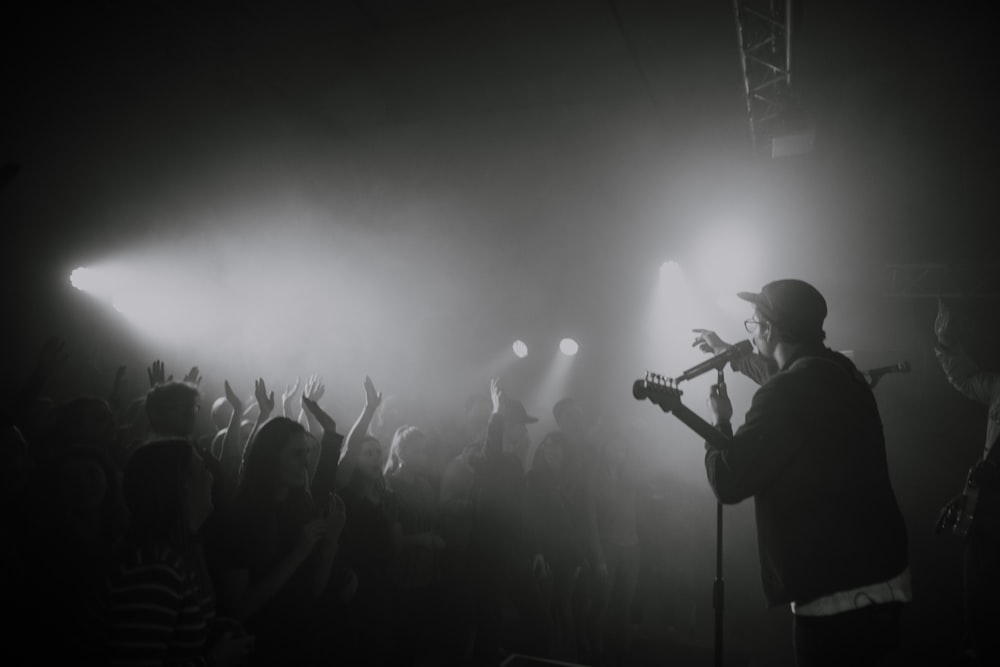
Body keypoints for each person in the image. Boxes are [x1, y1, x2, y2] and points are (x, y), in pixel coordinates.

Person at [697, 279, 910, 667]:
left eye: (753, 321)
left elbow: (728, 482)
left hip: (834, 594)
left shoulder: (788, 391)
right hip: (886, 577)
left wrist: (720, 424)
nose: (751, 328)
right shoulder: (839, 371)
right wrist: (728, 352)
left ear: (768, 328)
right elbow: (782, 379)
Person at [94, 439, 255, 666]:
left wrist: (213, 629)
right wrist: (215, 660)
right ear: (180, 484)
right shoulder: (153, 570)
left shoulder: (183, 548)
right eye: (202, 469)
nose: (211, 476)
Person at [933, 298, 1000, 666]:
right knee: (977, 611)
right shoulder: (999, 387)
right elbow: (964, 378)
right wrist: (945, 342)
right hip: (984, 520)